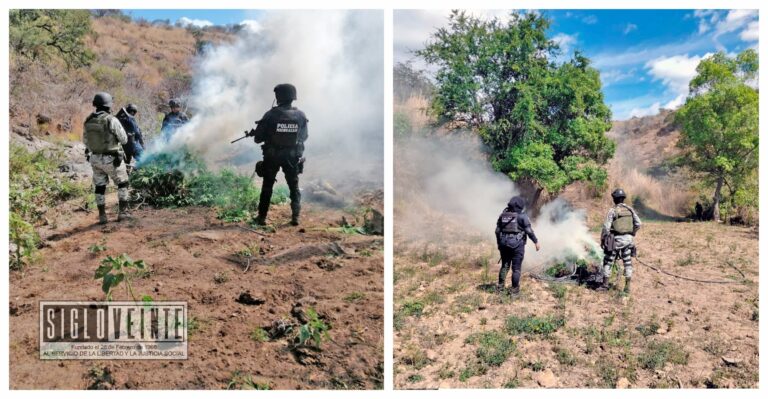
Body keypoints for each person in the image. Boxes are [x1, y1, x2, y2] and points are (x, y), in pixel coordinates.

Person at [249, 83, 308, 226]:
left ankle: (262, 218)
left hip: (272, 156)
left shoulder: (270, 115)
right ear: (292, 97)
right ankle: (295, 218)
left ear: (279, 96)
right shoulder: (300, 115)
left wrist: (256, 133)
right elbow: (304, 136)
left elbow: (258, 139)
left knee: (267, 186)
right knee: (294, 187)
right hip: (292, 157)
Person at [83, 92, 133, 224]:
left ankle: (102, 216)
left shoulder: (88, 120)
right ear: (108, 106)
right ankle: (122, 213)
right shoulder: (112, 120)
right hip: (112, 159)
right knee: (123, 183)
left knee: (100, 187)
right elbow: (124, 139)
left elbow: (86, 141)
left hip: (95, 159)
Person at [495, 196, 541, 298]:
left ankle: (500, 288)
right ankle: (514, 292)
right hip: (517, 245)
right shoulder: (522, 216)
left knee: (505, 266)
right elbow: (529, 231)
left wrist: (499, 244)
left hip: (503, 244)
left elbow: (497, 231)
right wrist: (536, 242)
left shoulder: (502, 216)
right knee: (516, 269)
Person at [598, 188, 642, 294]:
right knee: (627, 262)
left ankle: (604, 286)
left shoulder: (613, 210)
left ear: (614, 199)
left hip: (616, 241)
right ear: (623, 199)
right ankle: (627, 287)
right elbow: (638, 224)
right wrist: (632, 233)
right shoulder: (630, 209)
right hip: (628, 241)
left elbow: (606, 227)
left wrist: (603, 240)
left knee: (608, 261)